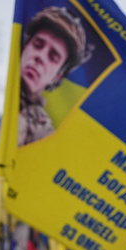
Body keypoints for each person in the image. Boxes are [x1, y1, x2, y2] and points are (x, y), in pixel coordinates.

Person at [18, 7, 90, 146]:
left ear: (56, 78)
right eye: (38, 45)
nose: (40, 57)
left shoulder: (45, 138)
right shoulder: (7, 106)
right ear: (25, 47)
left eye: (53, 57)